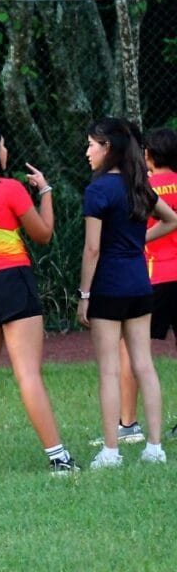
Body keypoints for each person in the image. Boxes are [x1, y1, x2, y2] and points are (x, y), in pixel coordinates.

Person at [0, 122, 78, 478]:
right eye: (3, 145)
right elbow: (43, 234)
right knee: (27, 373)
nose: (7, 151)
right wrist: (46, 191)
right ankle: (58, 459)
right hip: (10, 280)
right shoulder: (9, 188)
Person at [78, 118, 177, 468]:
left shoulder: (98, 190)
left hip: (108, 285)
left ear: (107, 148)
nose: (87, 151)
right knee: (144, 365)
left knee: (109, 369)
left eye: (91, 144)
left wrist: (84, 294)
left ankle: (111, 451)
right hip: (139, 283)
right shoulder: (138, 184)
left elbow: (92, 249)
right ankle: (154, 448)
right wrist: (138, 242)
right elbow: (171, 220)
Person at [111, 127, 177, 443]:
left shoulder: (142, 187)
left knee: (131, 349)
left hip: (155, 276)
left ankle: (128, 425)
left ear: (147, 155)